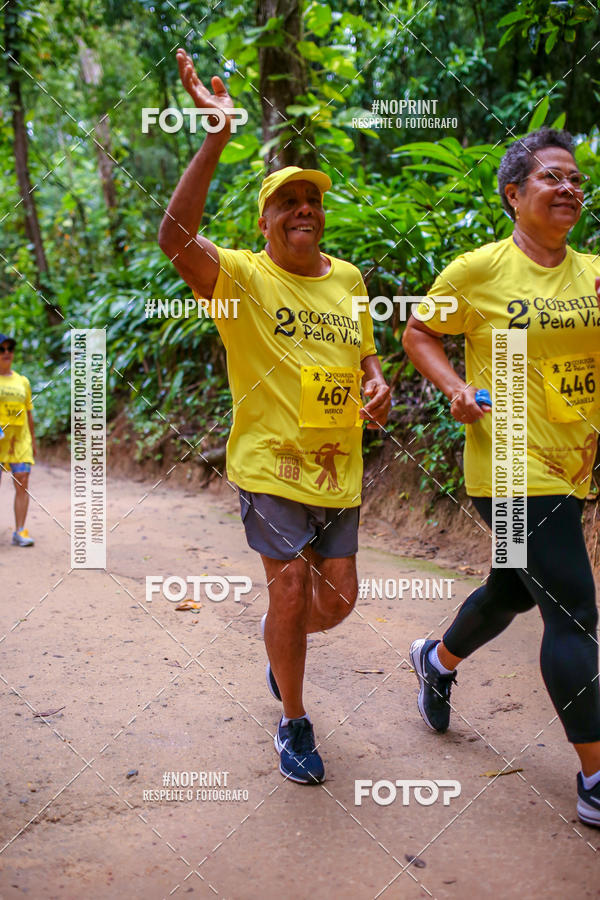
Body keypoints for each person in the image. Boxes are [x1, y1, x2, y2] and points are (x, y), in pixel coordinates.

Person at [158, 49, 391, 784]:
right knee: (288, 588)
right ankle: (294, 719)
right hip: (267, 464)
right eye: (287, 202)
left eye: (312, 201)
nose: (304, 210)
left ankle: (277, 650)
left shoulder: (349, 280)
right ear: (263, 222)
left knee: (337, 602)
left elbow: (366, 363)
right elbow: (173, 239)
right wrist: (216, 137)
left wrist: (378, 386)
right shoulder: (241, 278)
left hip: (338, 467)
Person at [403, 127, 600, 828]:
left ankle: (437, 658)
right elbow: (418, 332)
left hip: (570, 464)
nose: (569, 188)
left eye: (576, 179)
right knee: (573, 608)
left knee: (514, 588)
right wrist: (455, 387)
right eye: (552, 177)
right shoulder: (479, 270)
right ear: (514, 194)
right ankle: (596, 776)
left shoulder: (595, 273)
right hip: (508, 466)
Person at [0, 333, 36, 547]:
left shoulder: (23, 381)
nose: (6, 353)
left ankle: (20, 530)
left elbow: (29, 412)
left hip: (19, 439)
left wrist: (33, 440)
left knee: (22, 479)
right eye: (1, 349)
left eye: (9, 349)